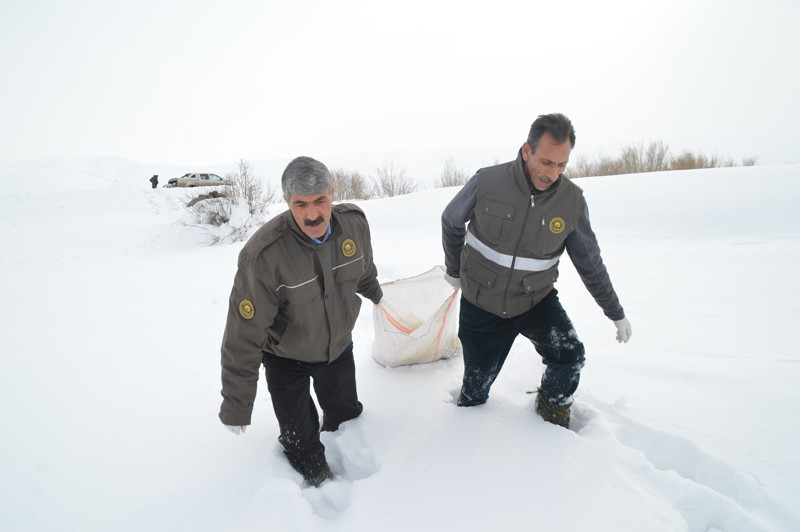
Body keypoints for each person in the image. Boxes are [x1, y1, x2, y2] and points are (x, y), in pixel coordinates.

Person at [441, 113, 632, 428]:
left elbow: (590, 263)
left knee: (570, 355)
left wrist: (615, 312)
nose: (553, 173)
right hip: (481, 301)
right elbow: (451, 221)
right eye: (546, 162)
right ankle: (468, 433)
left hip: (535, 300)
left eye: (562, 165)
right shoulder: (488, 182)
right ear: (527, 150)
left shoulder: (571, 202)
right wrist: (453, 269)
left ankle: (551, 413)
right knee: (474, 391)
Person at [219, 156, 383, 486]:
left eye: (320, 200)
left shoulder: (354, 225)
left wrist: (379, 297)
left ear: (332, 193)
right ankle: (318, 479)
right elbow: (244, 334)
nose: (312, 214)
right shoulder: (263, 256)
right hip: (285, 358)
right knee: (300, 442)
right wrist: (237, 404)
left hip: (338, 348)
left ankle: (350, 457)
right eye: (301, 204)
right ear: (286, 201)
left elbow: (363, 271)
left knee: (346, 419)